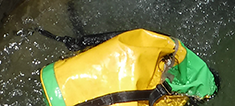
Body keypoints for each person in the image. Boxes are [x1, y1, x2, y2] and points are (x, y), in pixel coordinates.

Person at [39, 28, 219, 106]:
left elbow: (125, 37)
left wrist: (82, 42)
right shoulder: (177, 99)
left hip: (56, 78)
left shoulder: (167, 50)